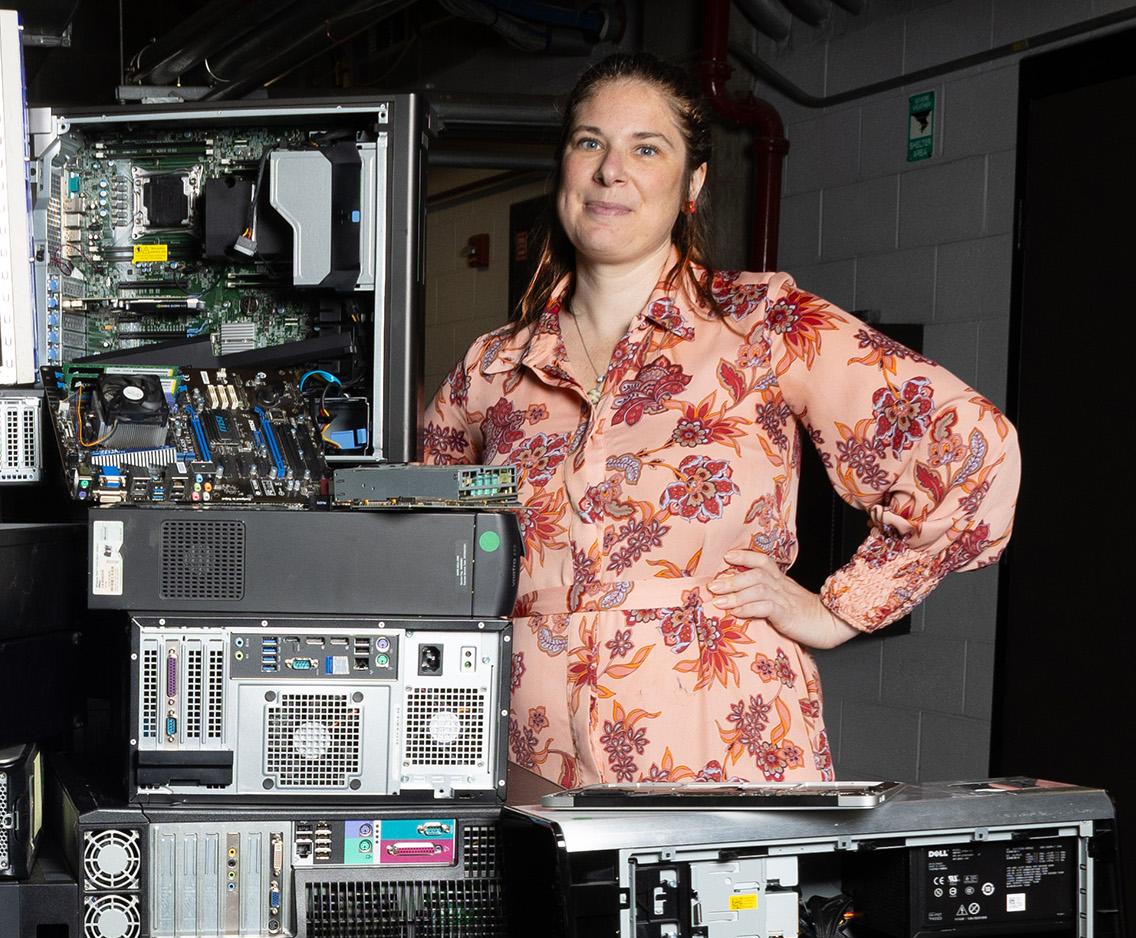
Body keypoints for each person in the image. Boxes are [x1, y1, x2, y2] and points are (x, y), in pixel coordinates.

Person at [420, 52, 1018, 788]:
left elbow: (972, 445)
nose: (612, 171)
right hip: (528, 765)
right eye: (589, 142)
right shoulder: (491, 372)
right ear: (564, 169)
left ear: (692, 183)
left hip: (719, 752)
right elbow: (425, 551)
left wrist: (837, 612)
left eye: (647, 148)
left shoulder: (761, 325)